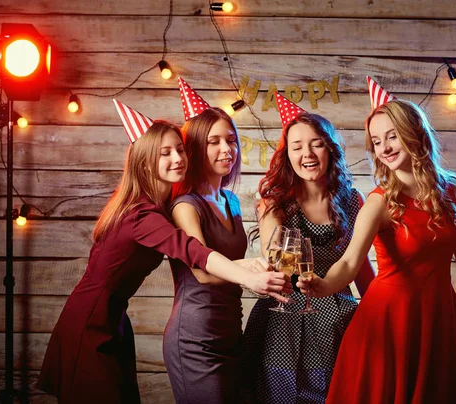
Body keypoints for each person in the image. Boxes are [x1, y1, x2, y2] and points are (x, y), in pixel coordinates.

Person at [36, 100, 289, 404]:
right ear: (144, 163)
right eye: (164, 153)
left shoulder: (159, 207)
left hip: (115, 319)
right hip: (89, 323)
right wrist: (251, 276)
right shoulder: (141, 215)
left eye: (179, 150)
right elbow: (195, 253)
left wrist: (252, 263)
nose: (177, 158)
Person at [299, 78, 456, 403]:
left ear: (415, 132)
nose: (384, 147)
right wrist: (322, 285)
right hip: (390, 322)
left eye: (392, 135)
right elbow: (348, 262)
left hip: (441, 318)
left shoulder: (453, 190)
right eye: (376, 140)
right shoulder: (379, 202)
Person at [242, 92, 376, 404]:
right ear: (286, 155)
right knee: (279, 395)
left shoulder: (353, 200)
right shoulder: (275, 202)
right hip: (283, 323)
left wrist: (380, 315)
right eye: (297, 146)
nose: (307, 153)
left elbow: (359, 268)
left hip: (337, 321)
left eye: (316, 143)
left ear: (330, 148)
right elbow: (274, 258)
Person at [163, 78, 286, 404]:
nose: (226, 149)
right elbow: (202, 271)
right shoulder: (185, 205)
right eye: (213, 142)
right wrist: (251, 270)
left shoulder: (230, 200)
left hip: (231, 330)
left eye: (231, 140)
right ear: (195, 149)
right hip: (194, 337)